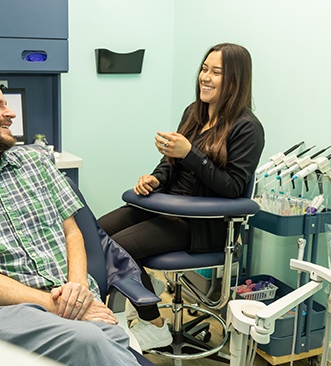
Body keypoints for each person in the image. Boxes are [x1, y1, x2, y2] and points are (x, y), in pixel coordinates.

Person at [0, 70, 142, 365]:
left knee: (104, 340)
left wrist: (77, 289)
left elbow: (72, 232)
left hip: (73, 294)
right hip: (10, 311)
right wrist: (55, 305)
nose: (10, 113)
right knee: (93, 339)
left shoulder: (37, 162)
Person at [98, 43, 265, 351]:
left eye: (216, 72)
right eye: (204, 69)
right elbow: (169, 164)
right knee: (94, 234)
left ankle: (155, 324)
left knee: (118, 249)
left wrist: (191, 154)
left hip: (203, 224)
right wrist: (154, 179)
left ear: (236, 80)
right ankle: (139, 289)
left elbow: (232, 187)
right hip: (166, 208)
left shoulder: (248, 129)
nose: (206, 77)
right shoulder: (194, 113)